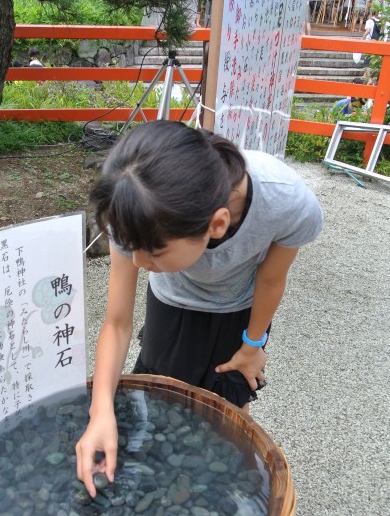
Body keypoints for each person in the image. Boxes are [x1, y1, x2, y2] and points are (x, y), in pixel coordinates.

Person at [75, 121, 323, 496]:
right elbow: (117, 322)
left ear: (217, 224)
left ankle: (230, 485)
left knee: (231, 398)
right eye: (131, 248)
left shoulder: (286, 202)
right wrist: (101, 410)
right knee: (161, 394)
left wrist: (252, 344)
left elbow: (271, 280)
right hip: (172, 301)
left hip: (241, 304)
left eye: (154, 253)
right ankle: (163, 476)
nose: (138, 263)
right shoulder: (129, 205)